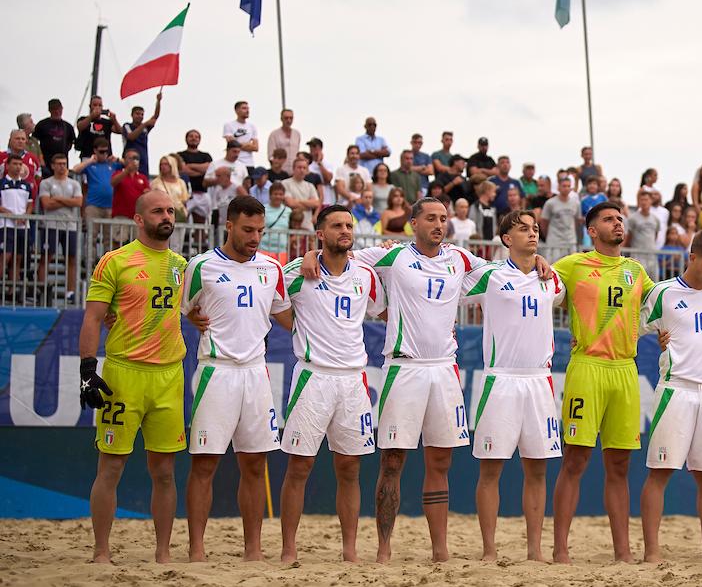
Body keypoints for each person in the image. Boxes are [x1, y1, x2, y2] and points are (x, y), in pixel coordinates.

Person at [307, 198, 547, 562]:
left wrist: (539, 260)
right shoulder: (392, 256)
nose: (439, 224)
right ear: (413, 223)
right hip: (404, 368)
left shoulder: (461, 259)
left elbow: (510, 269)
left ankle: (440, 550)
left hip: (444, 369)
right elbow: (339, 255)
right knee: (392, 462)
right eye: (431, 218)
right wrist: (311, 254)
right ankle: (384, 549)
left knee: (440, 463)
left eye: (444, 219)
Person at [78, 191, 187, 563]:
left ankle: (162, 554)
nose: (166, 216)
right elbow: (93, 317)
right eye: (158, 211)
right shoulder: (115, 261)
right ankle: (101, 551)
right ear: (139, 219)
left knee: (165, 471)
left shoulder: (181, 264)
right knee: (110, 466)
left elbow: (192, 307)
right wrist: (87, 370)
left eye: (170, 210)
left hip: (169, 375)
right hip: (124, 375)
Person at [181, 196, 290, 561]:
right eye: (247, 230)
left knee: (255, 464)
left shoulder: (272, 269)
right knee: (205, 463)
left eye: (260, 230)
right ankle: (197, 549)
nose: (255, 237)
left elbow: (287, 316)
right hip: (217, 370)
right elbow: (183, 311)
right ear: (229, 226)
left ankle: (253, 550)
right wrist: (193, 319)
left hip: (256, 373)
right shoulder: (202, 265)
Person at [278, 205, 384, 563]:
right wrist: (301, 328)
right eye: (336, 225)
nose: (345, 230)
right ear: (319, 233)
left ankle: (350, 550)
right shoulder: (298, 270)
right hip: (313, 376)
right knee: (299, 466)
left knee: (350, 467)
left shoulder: (365, 274)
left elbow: (382, 309)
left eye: (349, 225)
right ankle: (289, 549)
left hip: (354, 380)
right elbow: (273, 303)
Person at [552, 202, 655, 564]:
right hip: (587, 367)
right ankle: (561, 550)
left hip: (626, 369)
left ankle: (623, 553)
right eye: (609, 219)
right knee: (575, 459)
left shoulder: (636, 270)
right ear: (592, 230)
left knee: (620, 465)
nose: (618, 224)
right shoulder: (573, 265)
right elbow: (534, 278)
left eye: (620, 219)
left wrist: (662, 329)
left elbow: (663, 305)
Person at [461, 210, 565, 561]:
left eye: (535, 229)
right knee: (491, 468)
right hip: (500, 379)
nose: (532, 234)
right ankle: (489, 550)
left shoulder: (551, 279)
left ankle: (534, 551)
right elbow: (444, 267)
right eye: (523, 229)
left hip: (539, 380)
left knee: (537, 468)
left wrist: (543, 263)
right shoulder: (489, 275)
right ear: (506, 238)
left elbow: (563, 292)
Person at [640, 230, 702, 562]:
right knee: (660, 472)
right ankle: (651, 551)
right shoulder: (663, 293)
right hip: (675, 389)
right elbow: (633, 329)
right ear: (691, 257)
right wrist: (659, 342)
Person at [37, 154, 83, 298]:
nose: (62, 166)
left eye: (64, 163)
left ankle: (71, 291)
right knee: (46, 257)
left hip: (70, 226)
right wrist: (68, 201)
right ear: (52, 165)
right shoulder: (46, 183)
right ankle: (42, 289)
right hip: (50, 224)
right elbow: (46, 204)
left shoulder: (74, 184)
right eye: (59, 163)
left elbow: (78, 202)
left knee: (71, 259)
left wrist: (56, 198)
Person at [0, 155, 34, 278]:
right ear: (7, 166)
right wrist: (12, 215)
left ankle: (12, 291)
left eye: (20, 164)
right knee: (6, 255)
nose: (18, 167)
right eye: (15, 164)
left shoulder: (26, 185)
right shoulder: (2, 183)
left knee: (18, 258)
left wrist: (25, 216)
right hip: (6, 225)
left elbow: (30, 204)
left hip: (22, 226)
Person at [72, 140, 121, 223]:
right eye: (101, 152)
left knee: (108, 235)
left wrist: (118, 159)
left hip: (110, 206)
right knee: (92, 234)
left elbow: (129, 165)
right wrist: (90, 160)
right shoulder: (90, 165)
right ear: (95, 151)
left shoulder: (112, 164)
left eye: (106, 151)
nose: (105, 154)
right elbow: (75, 169)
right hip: (93, 206)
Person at [33, 99, 76, 178]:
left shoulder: (68, 126)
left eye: (58, 109)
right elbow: (34, 142)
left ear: (62, 109)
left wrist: (65, 150)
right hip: (46, 162)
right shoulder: (42, 125)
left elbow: (72, 141)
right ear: (49, 110)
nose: (57, 112)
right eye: (54, 109)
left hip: (62, 162)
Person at [120, 94, 161, 176]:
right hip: (130, 161)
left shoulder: (145, 128)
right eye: (137, 114)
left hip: (143, 161)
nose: (140, 116)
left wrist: (158, 101)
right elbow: (131, 137)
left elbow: (155, 116)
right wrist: (144, 124)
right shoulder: (127, 125)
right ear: (132, 115)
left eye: (142, 114)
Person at [178, 130, 213, 222]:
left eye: (196, 136)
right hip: (185, 195)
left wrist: (190, 166)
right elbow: (183, 170)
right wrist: (201, 171)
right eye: (191, 136)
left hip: (202, 193)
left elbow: (208, 168)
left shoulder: (206, 156)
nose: (194, 138)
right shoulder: (180, 155)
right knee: (181, 220)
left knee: (201, 225)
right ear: (186, 139)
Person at [282, 156, 320, 230]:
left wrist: (297, 201)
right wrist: (308, 205)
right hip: (291, 225)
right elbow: (290, 203)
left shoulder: (310, 186)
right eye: (299, 167)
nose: (302, 170)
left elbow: (316, 203)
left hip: (308, 225)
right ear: (293, 169)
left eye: (304, 168)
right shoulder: (285, 183)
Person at [150, 155, 190, 226]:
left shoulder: (181, 182)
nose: (163, 166)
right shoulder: (155, 182)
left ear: (172, 165)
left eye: (166, 164)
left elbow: (184, 200)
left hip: (177, 214)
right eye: (161, 164)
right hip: (161, 215)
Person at [75, 95, 117, 161]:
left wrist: (114, 120)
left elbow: (120, 131)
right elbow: (80, 127)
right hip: (88, 156)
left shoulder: (107, 122)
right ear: (90, 106)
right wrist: (91, 116)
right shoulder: (83, 119)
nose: (97, 107)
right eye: (95, 105)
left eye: (100, 105)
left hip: (105, 156)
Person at [259, 183, 291, 263]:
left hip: (282, 251)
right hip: (264, 249)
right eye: (275, 194)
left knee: (280, 273)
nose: (278, 196)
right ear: (270, 195)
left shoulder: (288, 211)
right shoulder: (262, 209)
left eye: (280, 194)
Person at [222, 100, 259, 166]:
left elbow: (256, 147)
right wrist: (248, 144)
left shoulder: (252, 126)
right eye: (244, 108)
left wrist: (238, 143)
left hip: (249, 163)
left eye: (248, 108)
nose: (247, 111)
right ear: (236, 110)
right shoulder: (228, 125)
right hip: (234, 162)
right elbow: (232, 144)